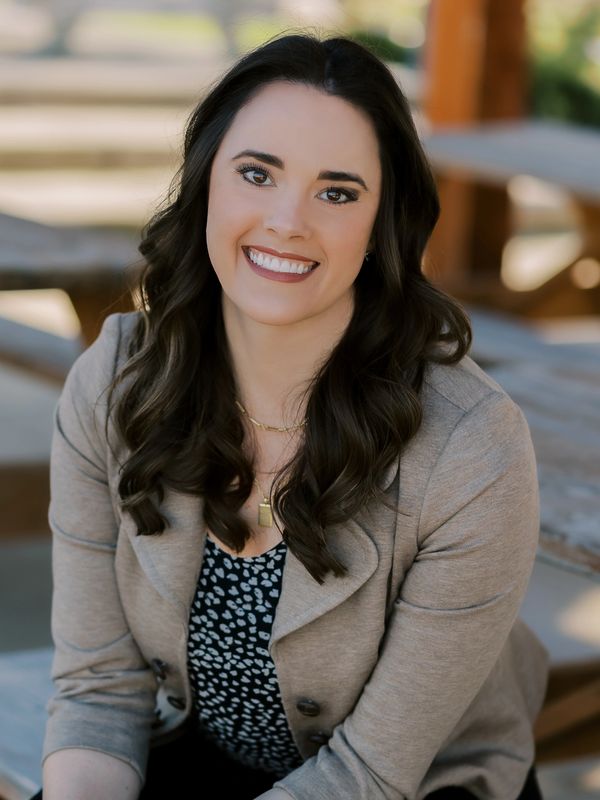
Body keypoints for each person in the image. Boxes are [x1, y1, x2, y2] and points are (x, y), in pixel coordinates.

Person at [34, 30, 550, 800]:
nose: (288, 220)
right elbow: (99, 694)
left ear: (382, 226)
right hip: (201, 760)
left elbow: (369, 774)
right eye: (257, 173)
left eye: (337, 191)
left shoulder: (473, 449)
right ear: (207, 181)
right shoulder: (115, 384)